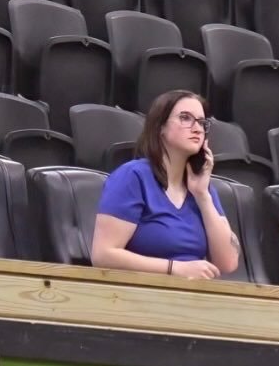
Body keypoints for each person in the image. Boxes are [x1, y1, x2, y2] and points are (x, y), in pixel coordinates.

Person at [91, 90, 239, 280]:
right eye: (185, 118)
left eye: (202, 122)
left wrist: (202, 196)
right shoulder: (133, 176)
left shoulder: (202, 187)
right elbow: (103, 255)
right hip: (142, 290)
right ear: (160, 126)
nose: (197, 129)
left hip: (193, 293)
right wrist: (174, 268)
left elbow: (228, 262)